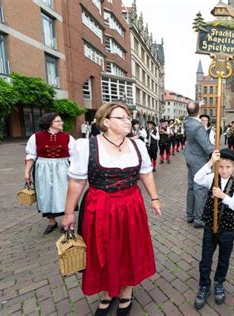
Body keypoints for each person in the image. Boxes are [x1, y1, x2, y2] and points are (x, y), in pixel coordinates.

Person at [62, 102, 161, 316]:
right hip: (100, 205)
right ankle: (107, 293)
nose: (128, 121)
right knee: (102, 250)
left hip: (131, 203)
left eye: (128, 117)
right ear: (106, 122)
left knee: (129, 246)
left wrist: (154, 198)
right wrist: (69, 213)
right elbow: (76, 183)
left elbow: (146, 174)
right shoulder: (86, 145)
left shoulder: (138, 145)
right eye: (122, 117)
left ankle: (127, 290)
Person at [193, 149, 234, 310]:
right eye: (220, 166)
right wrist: (209, 163)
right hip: (210, 227)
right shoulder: (211, 179)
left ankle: (219, 282)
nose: (224, 170)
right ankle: (204, 285)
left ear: (233, 167)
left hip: (227, 229)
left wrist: (223, 196)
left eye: (228, 167)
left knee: (224, 258)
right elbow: (197, 178)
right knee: (206, 258)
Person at [24, 113, 75, 235]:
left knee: (64, 194)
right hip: (43, 169)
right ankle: (51, 222)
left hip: (62, 168)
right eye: (58, 121)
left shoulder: (68, 137)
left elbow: (74, 156)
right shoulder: (36, 137)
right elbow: (31, 156)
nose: (61, 123)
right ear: (49, 123)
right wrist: (27, 173)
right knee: (46, 194)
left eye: (61, 121)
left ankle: (65, 222)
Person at [183, 102, 215, 228]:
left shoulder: (187, 121)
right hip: (198, 159)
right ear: (199, 111)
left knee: (191, 187)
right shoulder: (198, 127)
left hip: (189, 156)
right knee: (200, 188)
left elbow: (190, 112)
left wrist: (198, 105)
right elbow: (207, 147)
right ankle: (199, 219)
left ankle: (190, 215)